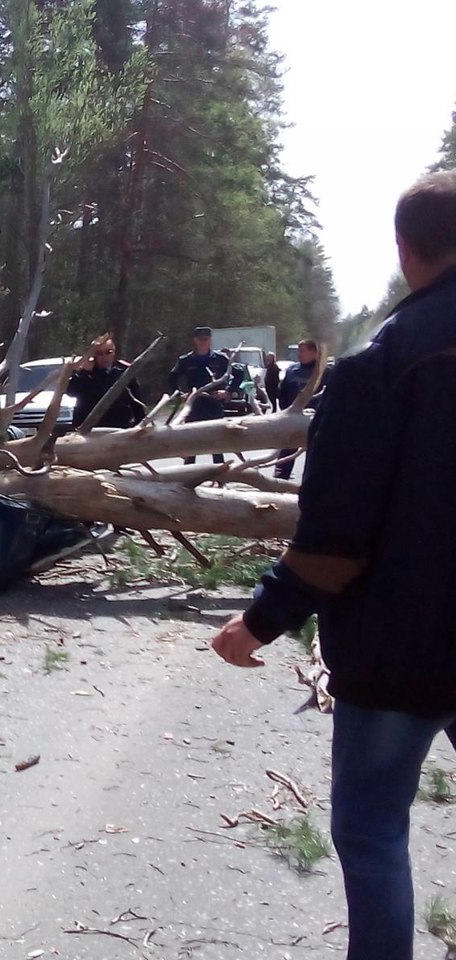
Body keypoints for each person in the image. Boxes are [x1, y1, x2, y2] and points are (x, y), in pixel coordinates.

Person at [211, 170, 456, 960]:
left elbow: (336, 541)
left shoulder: (384, 365)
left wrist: (258, 621)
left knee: (372, 828)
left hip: (403, 652)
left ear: (406, 250)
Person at [167, 326, 230, 463]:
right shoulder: (186, 360)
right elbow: (172, 377)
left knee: (217, 445)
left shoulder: (220, 359)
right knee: (191, 444)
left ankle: (219, 478)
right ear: (195, 340)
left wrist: (227, 391)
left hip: (214, 405)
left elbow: (236, 374)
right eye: (200, 339)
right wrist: (180, 394)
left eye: (205, 339)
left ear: (210, 340)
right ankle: (187, 479)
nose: (203, 342)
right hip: (194, 405)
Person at [66, 334, 145, 428]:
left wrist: (140, 427)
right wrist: (84, 372)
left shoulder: (124, 371)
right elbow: (71, 392)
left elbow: (137, 404)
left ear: (114, 352)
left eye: (108, 352)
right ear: (94, 355)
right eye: (99, 353)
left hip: (119, 428)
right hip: (90, 430)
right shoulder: (85, 372)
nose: (104, 356)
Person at [273, 339, 323, 480]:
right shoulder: (292, 371)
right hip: (293, 419)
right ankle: (279, 481)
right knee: (287, 453)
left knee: (314, 458)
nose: (299, 354)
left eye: (303, 351)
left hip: (315, 421)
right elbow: (282, 394)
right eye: (298, 351)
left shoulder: (323, 372)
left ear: (314, 353)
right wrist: (286, 412)